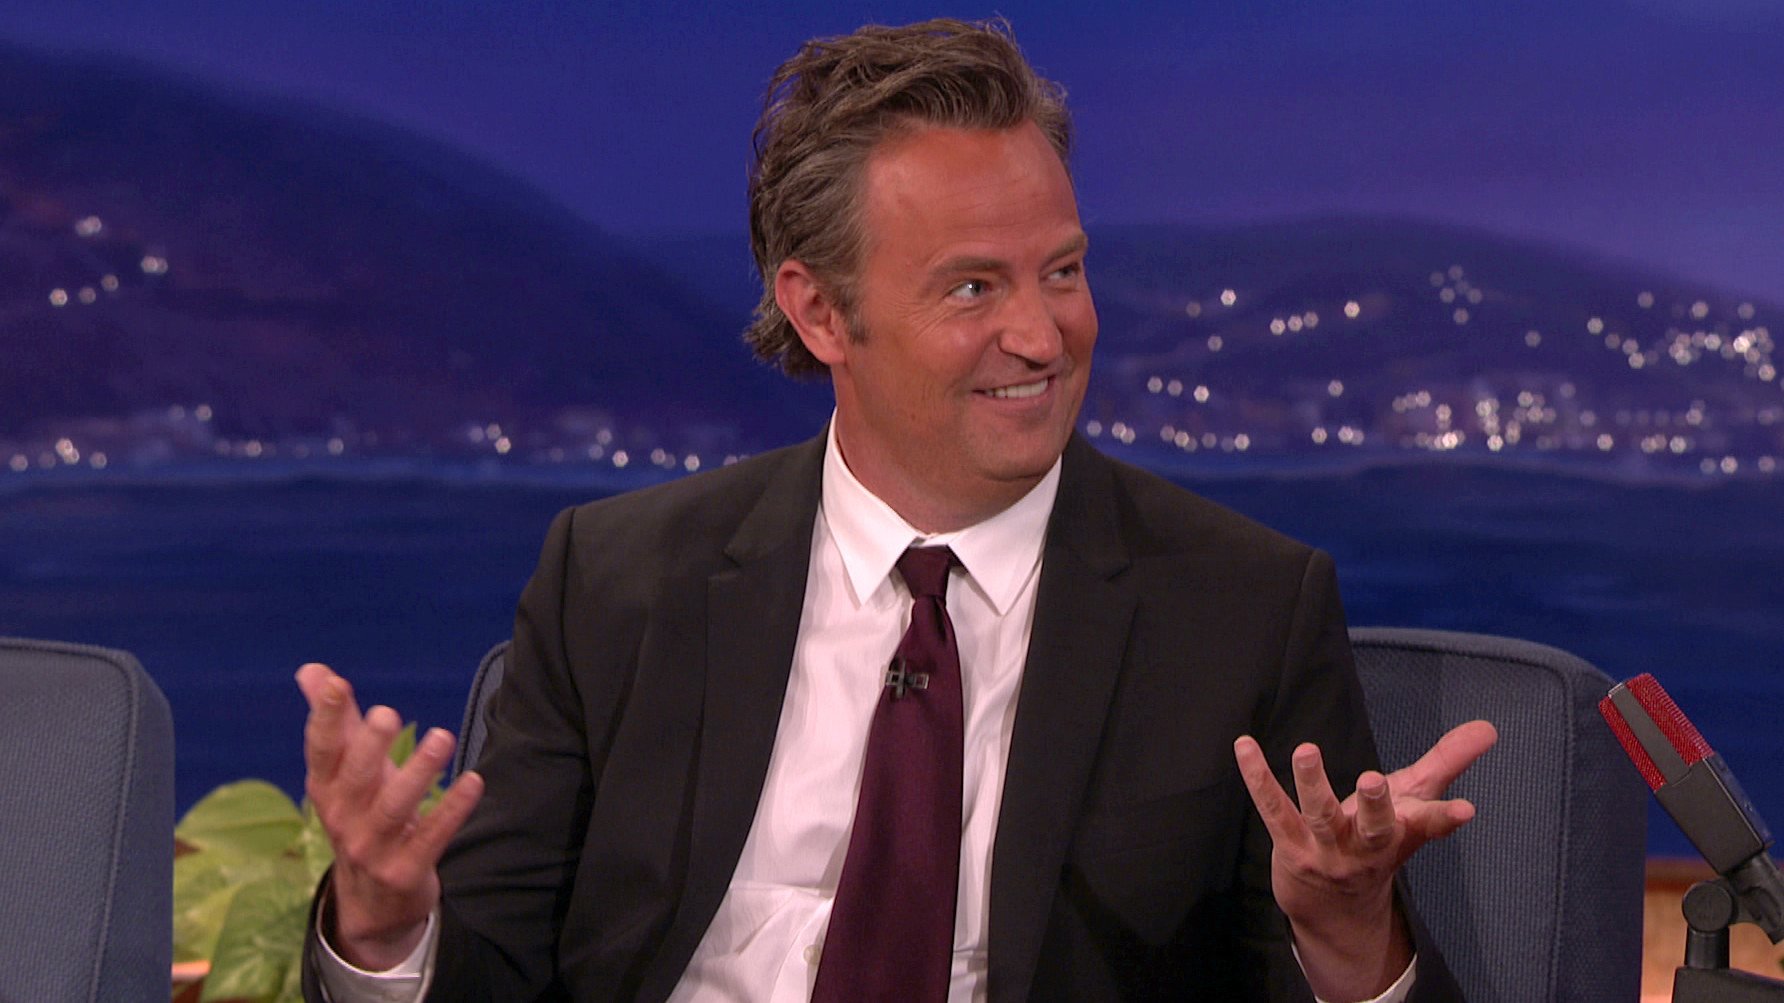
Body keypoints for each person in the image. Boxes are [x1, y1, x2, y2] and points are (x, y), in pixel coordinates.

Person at [297, 18, 1496, 1003]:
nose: (1041, 335)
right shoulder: (616, 581)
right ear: (820, 313)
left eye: (1061, 271)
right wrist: (387, 928)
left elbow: (1316, 960)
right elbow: (490, 971)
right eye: (972, 287)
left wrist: (1346, 937)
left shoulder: (1241, 608)